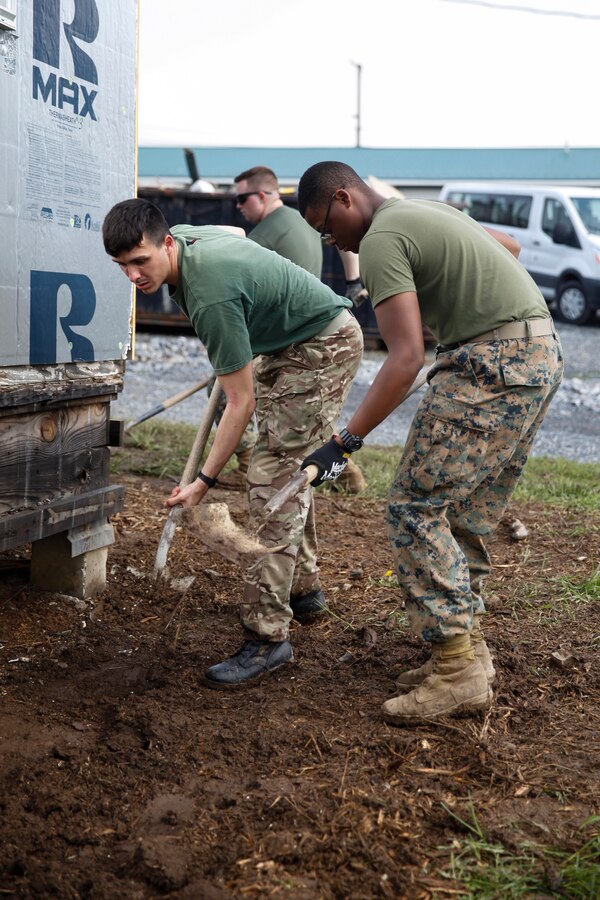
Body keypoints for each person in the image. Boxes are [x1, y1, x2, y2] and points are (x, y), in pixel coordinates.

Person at [297, 161, 563, 727]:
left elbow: (405, 357)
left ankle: (456, 671)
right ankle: (467, 651)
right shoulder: (426, 213)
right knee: (464, 511)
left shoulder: (382, 238)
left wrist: (344, 441)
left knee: (414, 508)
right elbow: (509, 248)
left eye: (325, 227)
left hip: (489, 367)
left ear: (344, 199)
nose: (330, 241)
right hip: (538, 354)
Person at [102, 198, 363, 688]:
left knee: (270, 475)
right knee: (281, 467)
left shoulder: (210, 296)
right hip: (289, 343)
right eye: (123, 266)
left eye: (141, 261)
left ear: (168, 243)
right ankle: (303, 590)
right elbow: (238, 236)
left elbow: (239, 405)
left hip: (321, 344)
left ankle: (268, 637)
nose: (133, 276)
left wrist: (203, 482)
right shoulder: (186, 237)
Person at [213, 165, 365, 492]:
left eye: (243, 198)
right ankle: (343, 467)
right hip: (310, 328)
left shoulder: (264, 235)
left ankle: (244, 465)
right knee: (300, 412)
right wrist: (353, 281)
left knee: (235, 398)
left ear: (265, 195)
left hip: (287, 334)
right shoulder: (305, 220)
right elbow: (343, 245)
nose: (238, 205)